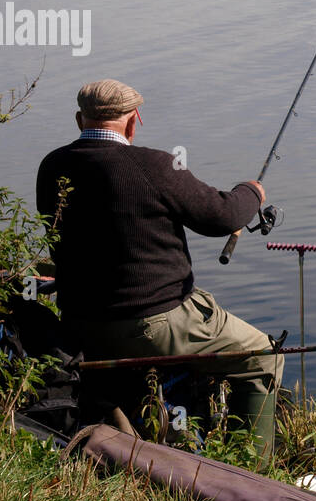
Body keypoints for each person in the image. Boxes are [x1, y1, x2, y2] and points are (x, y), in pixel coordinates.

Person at [35, 79, 285, 458]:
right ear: (134, 121)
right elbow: (223, 217)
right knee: (264, 354)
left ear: (78, 119)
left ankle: (149, 438)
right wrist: (251, 191)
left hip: (81, 323)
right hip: (156, 323)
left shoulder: (53, 166)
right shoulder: (153, 164)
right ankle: (252, 468)